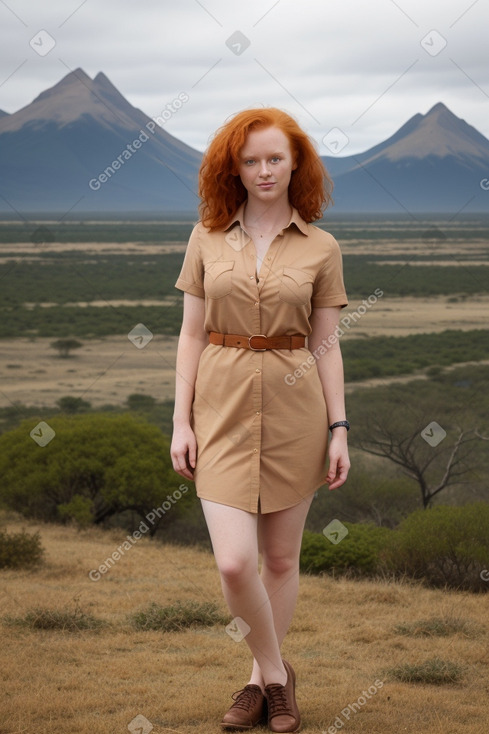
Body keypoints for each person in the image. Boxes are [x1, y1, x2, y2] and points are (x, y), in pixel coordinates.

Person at [170, 107, 350, 733]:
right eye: (251, 160)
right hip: (217, 410)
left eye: (275, 157)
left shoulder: (322, 246)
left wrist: (339, 429)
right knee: (233, 564)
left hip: (296, 410)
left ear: (296, 162)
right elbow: (190, 336)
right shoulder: (205, 236)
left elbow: (327, 345)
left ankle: (254, 684)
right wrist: (180, 423)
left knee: (279, 560)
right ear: (234, 168)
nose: (264, 169)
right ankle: (278, 675)